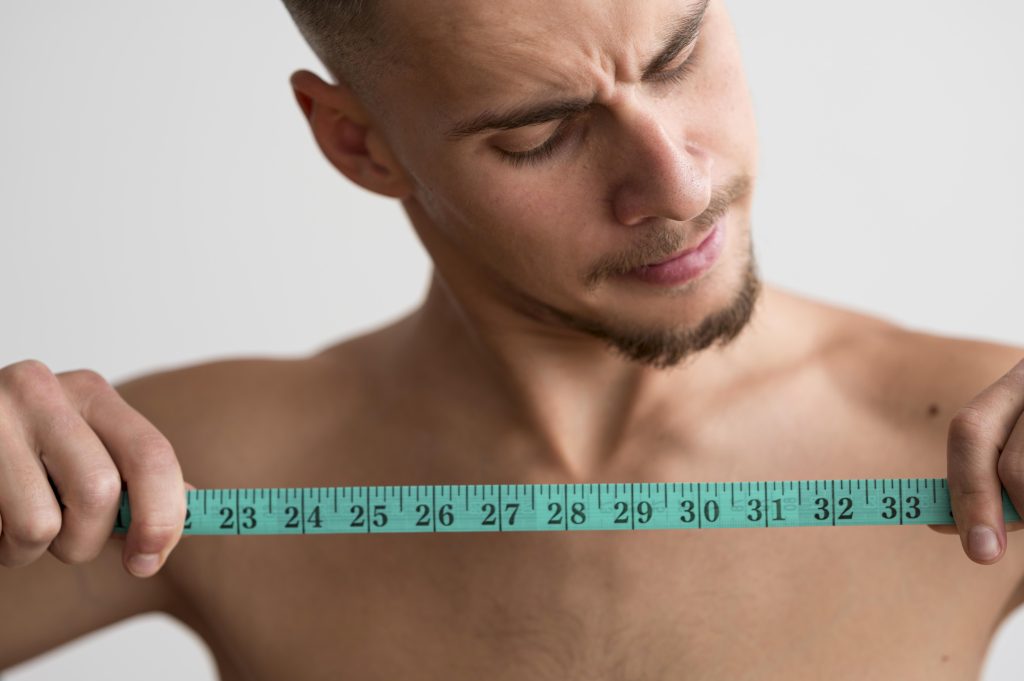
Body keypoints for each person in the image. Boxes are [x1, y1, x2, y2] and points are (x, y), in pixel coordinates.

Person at [3, 0, 1024, 678]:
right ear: (357, 144)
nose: (678, 184)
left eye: (678, 56)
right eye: (542, 133)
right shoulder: (184, 470)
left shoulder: (982, 442)